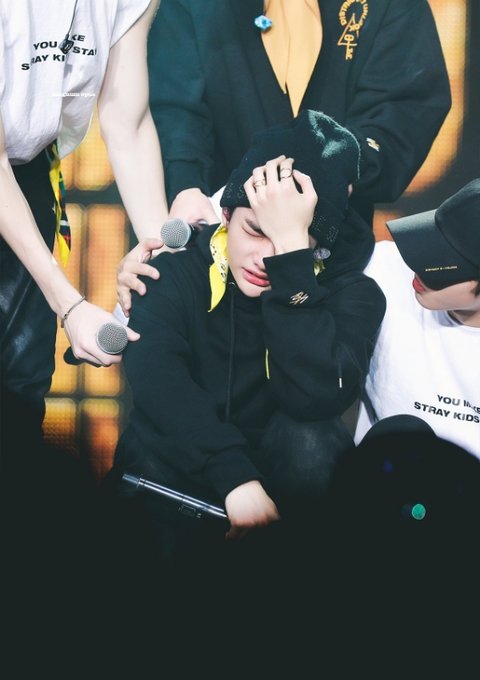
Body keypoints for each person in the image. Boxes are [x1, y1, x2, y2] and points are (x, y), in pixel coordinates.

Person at [105, 109, 386, 599]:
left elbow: (316, 398)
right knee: (151, 442)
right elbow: (159, 387)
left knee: (311, 441)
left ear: (316, 249)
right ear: (227, 215)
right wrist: (236, 480)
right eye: (255, 231)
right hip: (183, 474)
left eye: (289, 243)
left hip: (284, 495)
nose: (264, 258)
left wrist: (293, 269)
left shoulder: (354, 295)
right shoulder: (168, 271)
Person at [117, 0, 451, 315]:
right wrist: (187, 185)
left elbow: (406, 106)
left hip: (334, 255)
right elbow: (175, 102)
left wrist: (338, 166)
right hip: (216, 239)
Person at [0, 0, 167, 462]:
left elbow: (128, 121)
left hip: (28, 166)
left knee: (21, 383)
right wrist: (70, 304)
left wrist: (164, 261)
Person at [354, 178, 480, 458]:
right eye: (430, 240)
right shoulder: (383, 269)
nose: (419, 264)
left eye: (446, 262)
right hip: (379, 476)